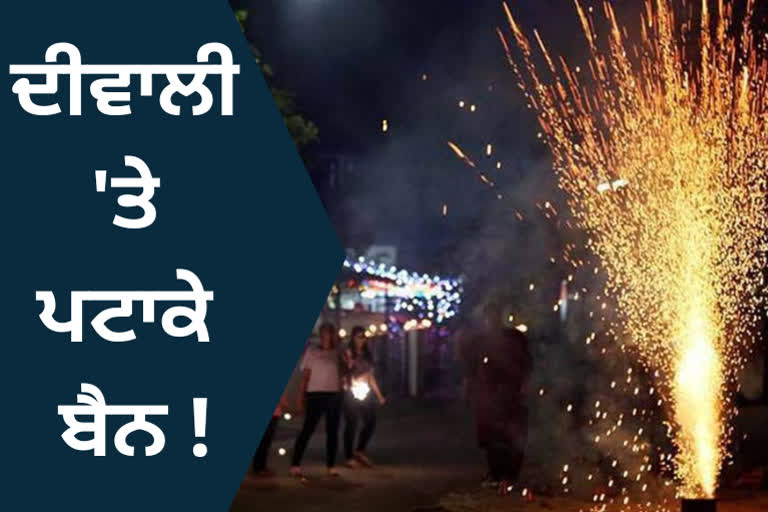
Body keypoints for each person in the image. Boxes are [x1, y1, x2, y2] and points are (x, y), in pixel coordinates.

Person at [466, 303, 532, 491]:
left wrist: (525, 385)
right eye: (489, 317)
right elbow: (473, 367)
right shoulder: (481, 340)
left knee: (514, 436)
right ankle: (496, 475)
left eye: (494, 316)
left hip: (511, 393)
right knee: (491, 437)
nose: (491, 320)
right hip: (489, 395)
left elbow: (527, 363)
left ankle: (510, 476)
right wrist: (472, 389)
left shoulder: (515, 338)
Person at [290, 323, 344, 478]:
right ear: (320, 335)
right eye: (325, 333)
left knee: (332, 431)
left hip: (333, 394)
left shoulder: (337, 353)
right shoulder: (312, 352)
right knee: (308, 429)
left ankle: (331, 466)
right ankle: (295, 464)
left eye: (330, 333)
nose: (327, 336)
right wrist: (300, 398)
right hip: (315, 394)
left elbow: (342, 373)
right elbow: (305, 376)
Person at [342, 326, 386, 468]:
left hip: (365, 392)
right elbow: (345, 372)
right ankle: (349, 456)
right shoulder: (348, 353)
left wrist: (379, 395)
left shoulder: (367, 355)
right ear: (353, 338)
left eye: (363, 337)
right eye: (358, 336)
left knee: (370, 421)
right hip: (351, 392)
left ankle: (360, 450)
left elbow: (370, 376)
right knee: (351, 424)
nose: (361, 340)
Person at [251, 392, 289, 477]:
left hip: (275, 413)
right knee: (264, 441)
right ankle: (259, 467)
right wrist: (285, 403)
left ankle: (261, 466)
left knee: (266, 441)